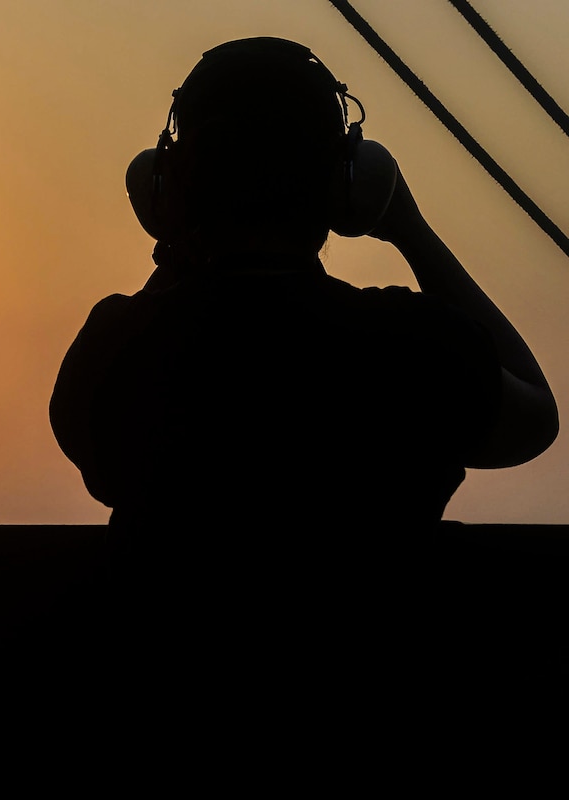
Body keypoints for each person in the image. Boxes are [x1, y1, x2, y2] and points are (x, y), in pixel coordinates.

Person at [49, 37, 559, 771]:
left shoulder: (119, 349)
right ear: (344, 183)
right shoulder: (413, 347)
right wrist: (407, 225)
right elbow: (533, 419)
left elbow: (88, 435)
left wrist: (177, 244)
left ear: (172, 185)